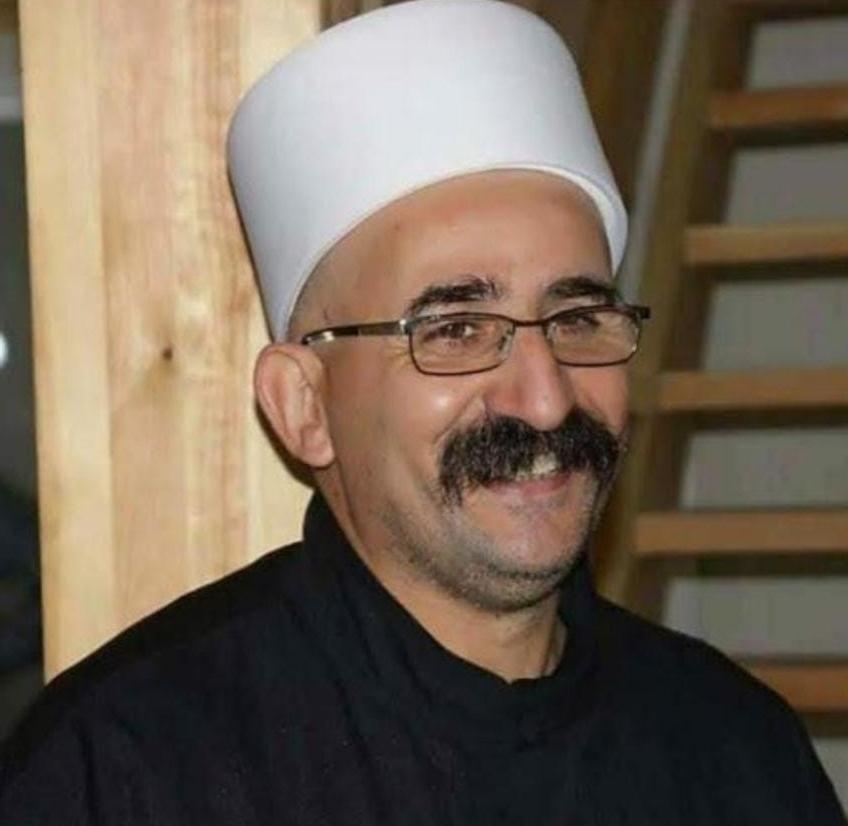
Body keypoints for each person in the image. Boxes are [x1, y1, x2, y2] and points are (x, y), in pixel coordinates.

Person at [1, 1, 844, 823]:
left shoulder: (736, 749)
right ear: (303, 406)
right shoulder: (121, 771)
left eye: (578, 317)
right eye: (455, 330)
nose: (545, 398)